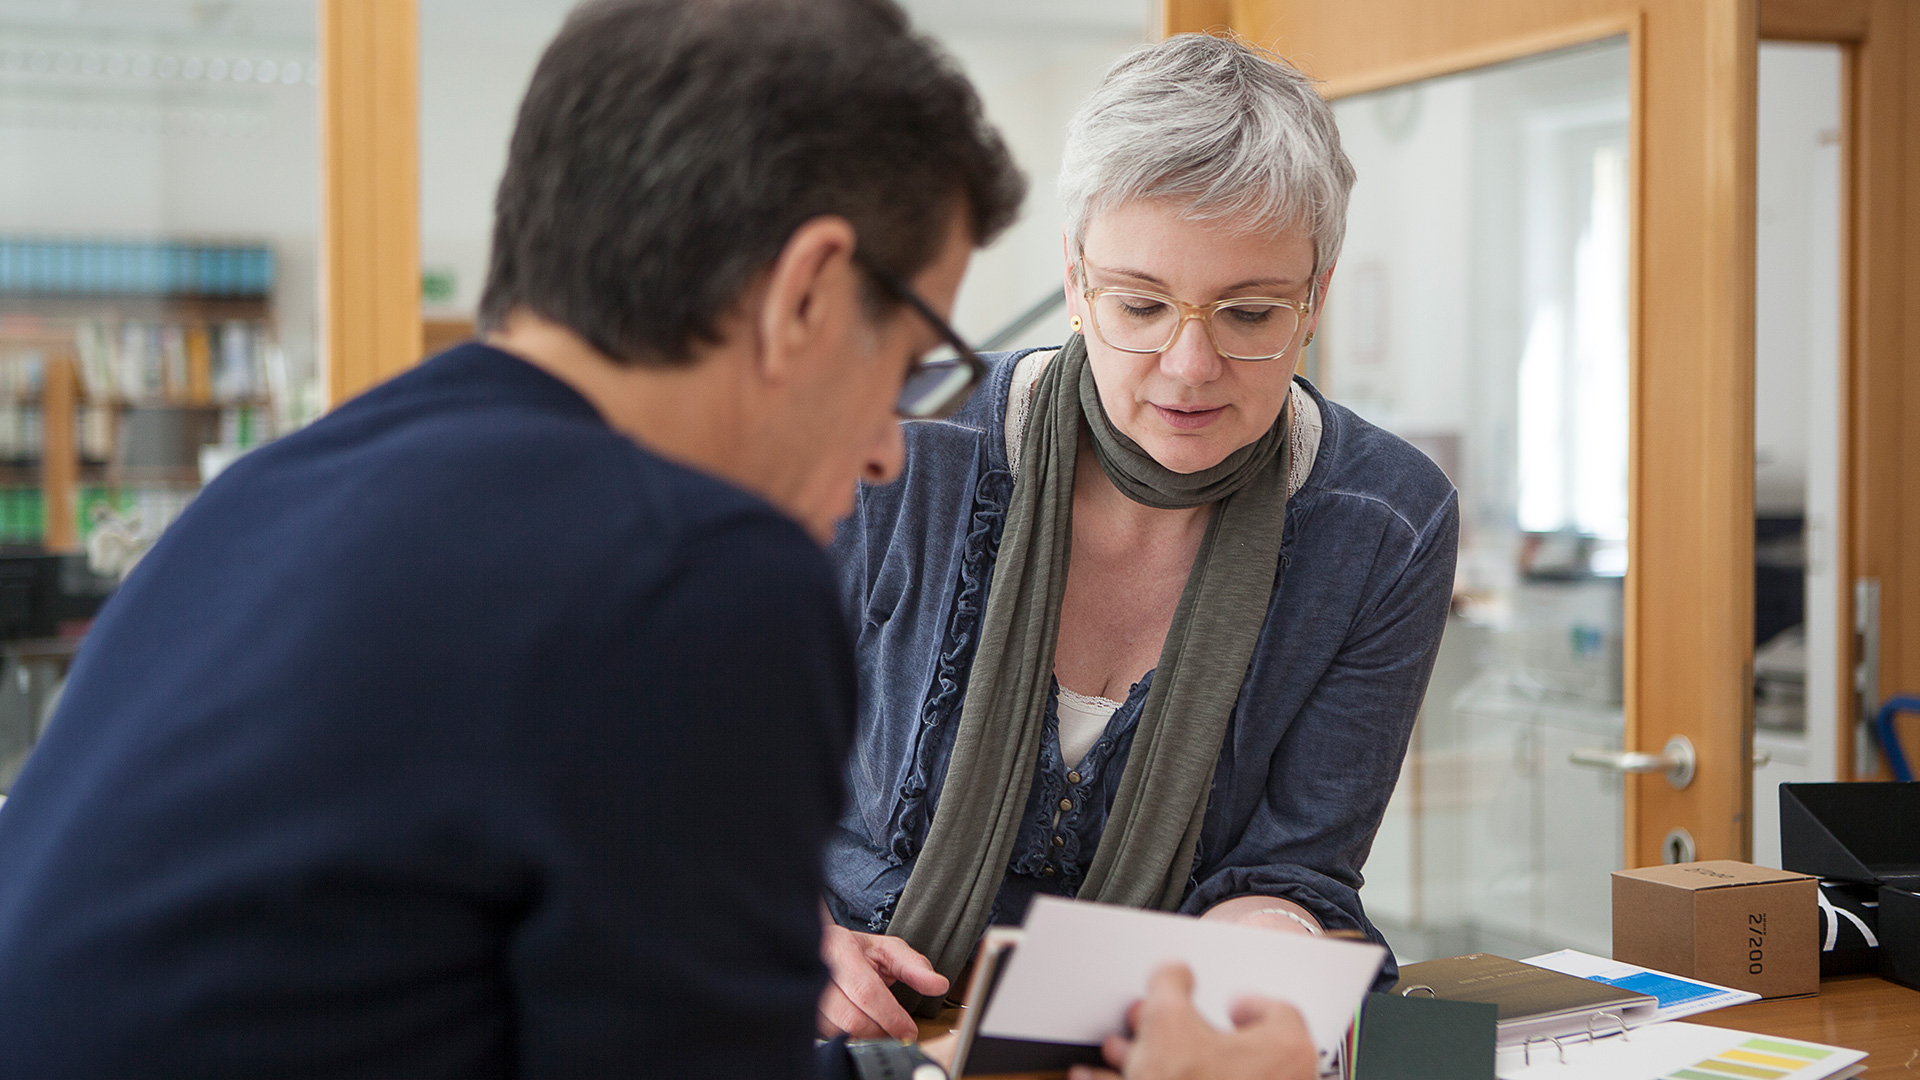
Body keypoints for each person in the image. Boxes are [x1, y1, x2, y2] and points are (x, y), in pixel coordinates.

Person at [0, 2, 1320, 1078]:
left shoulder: (275, 491)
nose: (885, 448)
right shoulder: (692, 576)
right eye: (911, 360)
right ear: (808, 292)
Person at [820, 33, 1460, 1040]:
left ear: (1315, 299)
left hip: (1155, 1044)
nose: (1190, 364)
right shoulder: (899, 442)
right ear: (1076, 282)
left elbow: (1296, 870)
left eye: (1250, 313)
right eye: (1141, 304)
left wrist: (1277, 955)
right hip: (861, 1031)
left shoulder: (1385, 520)